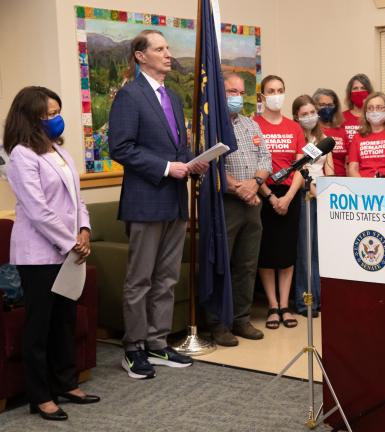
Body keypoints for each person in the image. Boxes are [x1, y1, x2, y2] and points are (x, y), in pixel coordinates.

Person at [109, 30, 208, 379]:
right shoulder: (129, 96)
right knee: (140, 280)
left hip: (174, 201)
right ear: (140, 56)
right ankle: (133, 347)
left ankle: (157, 341)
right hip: (145, 201)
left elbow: (176, 146)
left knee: (165, 279)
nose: (168, 54)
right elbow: (120, 148)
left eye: (168, 49)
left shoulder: (174, 97)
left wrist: (191, 161)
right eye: (160, 49)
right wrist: (168, 167)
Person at [5, 86, 100, 420]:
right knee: (40, 325)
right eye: (49, 114)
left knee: (64, 320)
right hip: (39, 254)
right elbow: (37, 209)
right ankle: (40, 396)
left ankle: (65, 382)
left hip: (69, 249)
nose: (56, 119)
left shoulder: (59, 151)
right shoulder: (21, 155)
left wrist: (84, 230)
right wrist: (70, 242)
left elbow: (78, 200)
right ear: (31, 117)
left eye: (58, 112)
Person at [205, 72, 272, 347]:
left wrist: (254, 184)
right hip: (226, 204)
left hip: (252, 203)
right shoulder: (212, 126)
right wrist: (239, 189)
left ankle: (241, 318)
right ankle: (219, 323)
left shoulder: (251, 126)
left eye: (240, 92)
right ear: (221, 94)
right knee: (223, 263)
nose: (237, 97)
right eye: (231, 92)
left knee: (247, 264)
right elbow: (210, 165)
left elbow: (265, 158)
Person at [254, 75, 305, 330]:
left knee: (286, 252)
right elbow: (253, 167)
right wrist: (271, 197)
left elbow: (300, 166)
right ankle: (272, 305)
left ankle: (285, 304)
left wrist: (287, 197)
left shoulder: (294, 127)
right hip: (263, 193)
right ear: (262, 96)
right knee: (267, 251)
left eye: (280, 90)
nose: (276, 94)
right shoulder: (254, 125)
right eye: (271, 90)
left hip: (290, 193)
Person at [292, 95, 332, 317]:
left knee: (320, 251)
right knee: (305, 251)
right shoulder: (297, 139)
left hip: (322, 196)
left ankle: (319, 298)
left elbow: (330, 168)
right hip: (305, 194)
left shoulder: (324, 139)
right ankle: (305, 301)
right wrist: (313, 191)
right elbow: (298, 168)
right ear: (297, 116)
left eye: (312, 113)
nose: (309, 117)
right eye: (304, 114)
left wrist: (328, 193)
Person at [348, 92, 385, 178]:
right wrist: (363, 187)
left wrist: (383, 184)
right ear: (365, 112)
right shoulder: (357, 137)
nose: (374, 111)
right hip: (363, 187)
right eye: (370, 108)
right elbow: (353, 168)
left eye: (379, 107)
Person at [313, 88, 345, 176]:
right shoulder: (313, 131)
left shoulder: (341, 131)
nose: (326, 108)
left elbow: (347, 161)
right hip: (319, 180)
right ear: (315, 106)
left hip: (342, 179)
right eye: (322, 105)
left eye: (330, 105)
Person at [342, 73, 375, 144]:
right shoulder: (341, 118)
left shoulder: (375, 116)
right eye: (355, 88)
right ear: (349, 93)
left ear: (369, 93)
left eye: (363, 88)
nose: (359, 91)